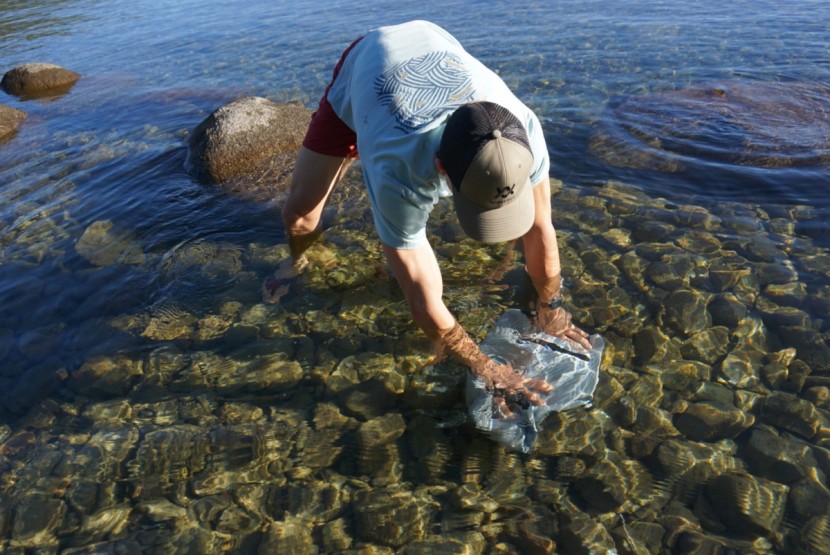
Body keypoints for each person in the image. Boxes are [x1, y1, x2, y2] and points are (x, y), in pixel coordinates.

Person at [266, 20, 590, 405]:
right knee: (300, 216)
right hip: (368, 66)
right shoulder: (396, 168)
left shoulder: (524, 133)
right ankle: (299, 260)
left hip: (430, 37)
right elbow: (422, 298)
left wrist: (550, 306)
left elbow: (540, 228)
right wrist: (486, 368)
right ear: (439, 168)